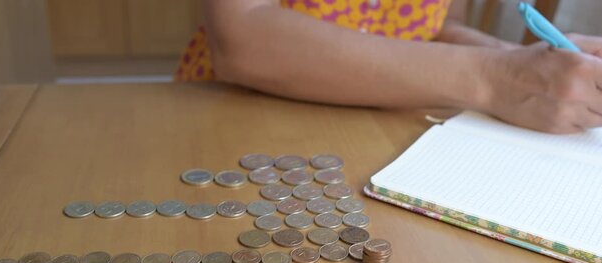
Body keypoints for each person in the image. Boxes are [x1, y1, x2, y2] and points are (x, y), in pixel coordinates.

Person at [177, 0, 602, 134]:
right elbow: (242, 35)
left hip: (393, 124)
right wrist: (496, 77)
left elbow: (438, 26)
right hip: (236, 117)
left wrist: (527, 66)